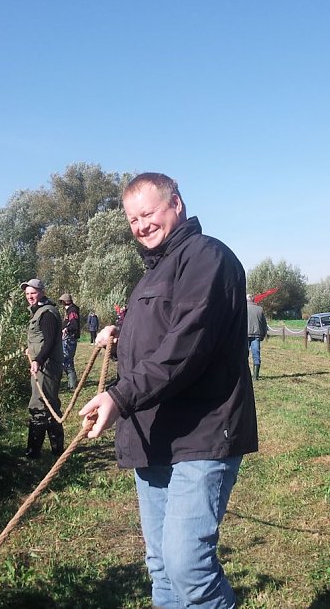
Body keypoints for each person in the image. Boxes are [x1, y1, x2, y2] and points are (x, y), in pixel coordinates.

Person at [79, 172, 258, 609]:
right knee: (160, 566)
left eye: (149, 213)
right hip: (155, 433)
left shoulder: (207, 257)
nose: (141, 225)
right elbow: (159, 330)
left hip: (202, 432)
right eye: (133, 219)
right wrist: (119, 333)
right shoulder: (152, 273)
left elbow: (187, 343)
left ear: (175, 204)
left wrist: (119, 397)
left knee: (188, 566)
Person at [21, 279, 64, 458]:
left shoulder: (46, 313)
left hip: (45, 367)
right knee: (50, 404)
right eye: (27, 294)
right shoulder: (40, 311)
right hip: (43, 364)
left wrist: (38, 359)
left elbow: (50, 341)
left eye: (33, 292)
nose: (30, 296)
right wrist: (31, 350)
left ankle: (33, 452)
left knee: (39, 405)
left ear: (42, 292)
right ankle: (57, 450)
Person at [59, 293, 81, 390]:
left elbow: (74, 325)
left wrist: (67, 329)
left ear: (64, 302)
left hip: (69, 338)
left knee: (67, 361)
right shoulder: (70, 310)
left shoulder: (72, 311)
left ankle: (72, 385)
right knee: (67, 361)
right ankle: (71, 384)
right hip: (68, 338)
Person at [246, 294, 268, 379]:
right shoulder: (260, 309)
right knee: (256, 355)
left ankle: (245, 374)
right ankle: (255, 376)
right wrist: (263, 335)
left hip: (245, 335)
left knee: (244, 355)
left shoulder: (243, 308)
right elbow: (264, 324)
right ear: (253, 300)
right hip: (257, 335)